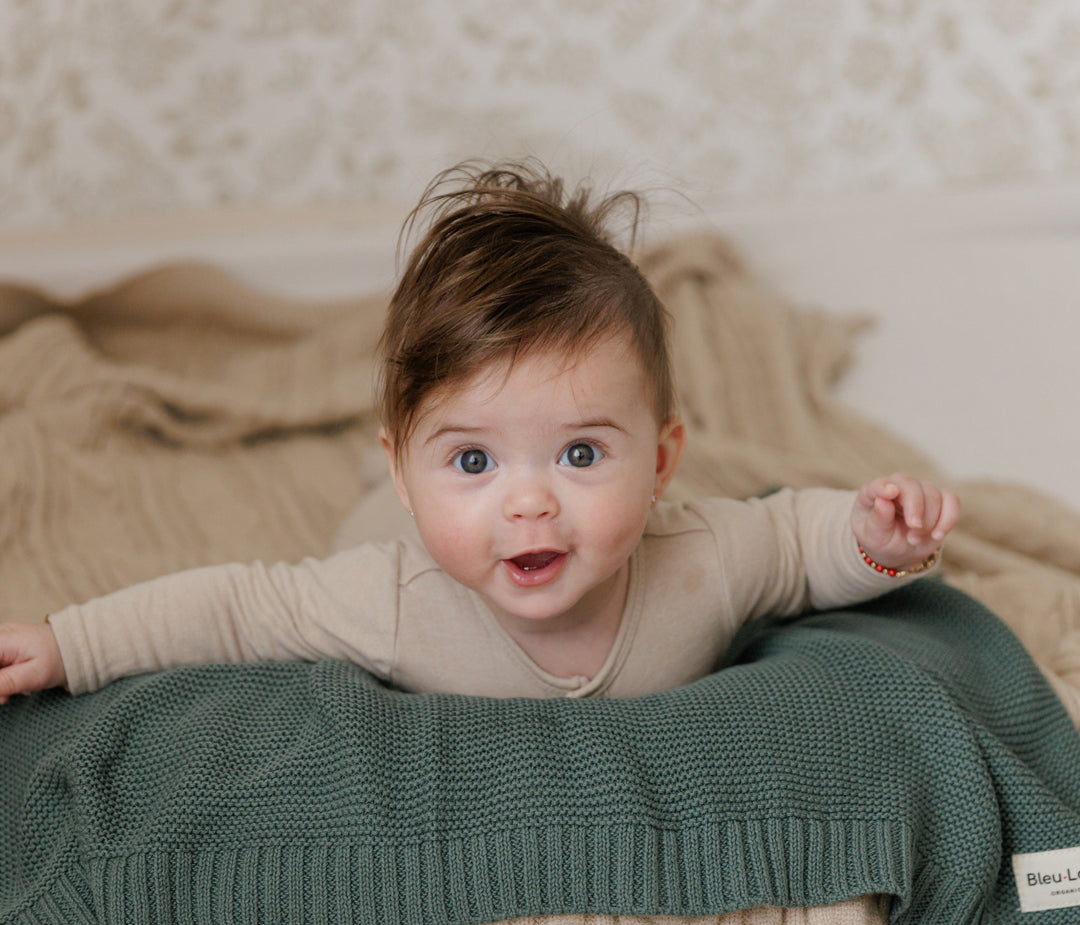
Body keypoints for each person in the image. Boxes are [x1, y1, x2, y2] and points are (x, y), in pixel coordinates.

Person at [0, 161, 959, 705]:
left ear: (664, 460)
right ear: (414, 475)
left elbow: (799, 544)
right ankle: (379, 484)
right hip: (382, 526)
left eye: (582, 454)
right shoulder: (384, 599)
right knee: (345, 539)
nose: (530, 499)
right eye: (473, 459)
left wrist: (875, 541)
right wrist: (68, 645)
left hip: (425, 500)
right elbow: (231, 610)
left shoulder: (706, 558)